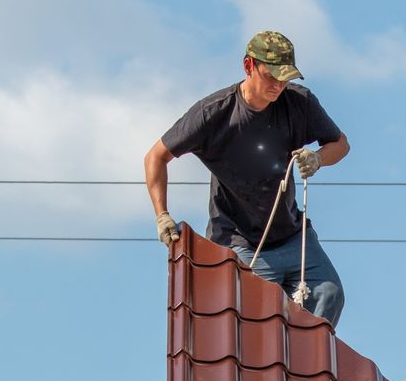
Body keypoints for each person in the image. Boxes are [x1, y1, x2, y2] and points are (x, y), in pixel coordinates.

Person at [144, 30, 352, 328]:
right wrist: (161, 215)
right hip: (241, 242)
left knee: (329, 294)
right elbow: (155, 157)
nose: (279, 85)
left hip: (293, 237)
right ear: (248, 66)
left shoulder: (298, 103)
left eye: (286, 77)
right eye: (272, 76)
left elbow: (341, 144)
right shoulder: (213, 114)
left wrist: (318, 158)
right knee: (259, 321)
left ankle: (304, 370)